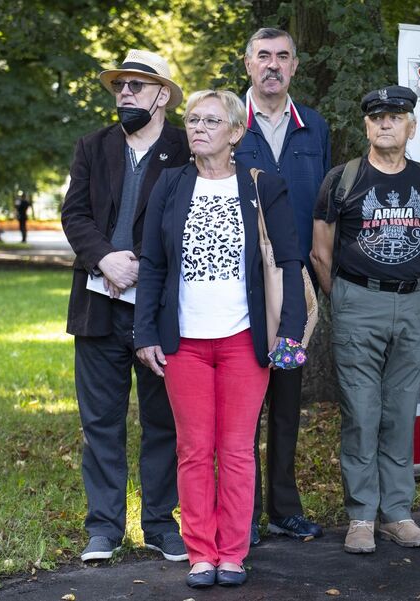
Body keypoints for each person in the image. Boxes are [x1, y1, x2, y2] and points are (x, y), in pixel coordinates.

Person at [134, 89, 306, 588]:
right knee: (192, 449)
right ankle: (200, 554)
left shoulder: (262, 185)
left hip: (242, 341)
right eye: (192, 120)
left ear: (235, 133)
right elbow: (152, 264)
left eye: (211, 121)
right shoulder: (169, 184)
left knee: (234, 449)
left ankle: (232, 553)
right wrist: (145, 331)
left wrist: (289, 333)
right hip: (183, 341)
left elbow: (288, 263)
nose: (198, 128)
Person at [311, 85, 420, 554]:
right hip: (358, 303)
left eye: (395, 116)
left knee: (400, 412)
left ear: (411, 126)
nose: (385, 123)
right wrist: (346, 300)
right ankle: (360, 518)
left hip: (412, 306)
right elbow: (320, 250)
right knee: (361, 413)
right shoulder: (344, 179)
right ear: (367, 126)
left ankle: (397, 513)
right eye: (377, 117)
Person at [61, 49, 190, 563]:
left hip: (158, 311)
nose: (125, 95)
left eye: (136, 85)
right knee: (101, 424)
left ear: (162, 95)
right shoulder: (93, 147)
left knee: (164, 421)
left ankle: (161, 524)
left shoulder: (186, 150)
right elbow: (74, 215)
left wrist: (143, 263)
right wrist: (104, 260)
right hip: (98, 307)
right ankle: (104, 529)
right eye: (120, 87)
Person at [235, 27, 331, 544]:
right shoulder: (230, 124)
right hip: (242, 286)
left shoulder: (313, 127)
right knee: (247, 402)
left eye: (283, 57)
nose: (273, 65)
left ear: (295, 66)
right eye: (263, 56)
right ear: (248, 65)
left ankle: (283, 508)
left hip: (296, 287)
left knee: (287, 399)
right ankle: (244, 515)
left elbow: (321, 210)